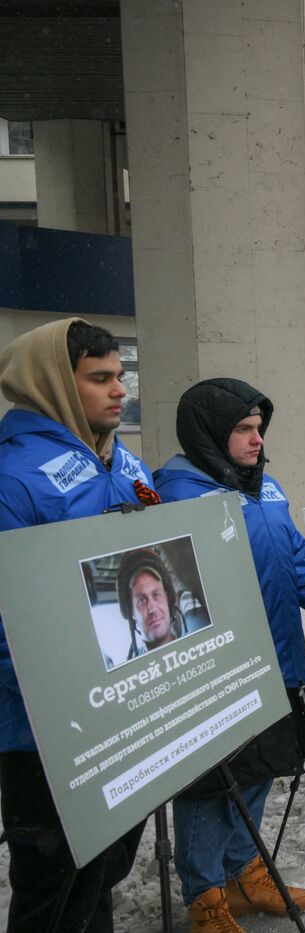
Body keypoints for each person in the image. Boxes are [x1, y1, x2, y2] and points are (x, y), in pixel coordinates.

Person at [0, 319, 152, 932]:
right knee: (53, 890)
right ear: (53, 385)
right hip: (48, 732)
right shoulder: (14, 478)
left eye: (120, 377)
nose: (119, 391)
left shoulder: (119, 459)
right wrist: (63, 707)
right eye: (100, 379)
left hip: (121, 706)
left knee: (101, 871)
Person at [154, 377, 305, 928]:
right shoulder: (176, 495)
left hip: (277, 658)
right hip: (220, 673)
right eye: (243, 430)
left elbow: (296, 561)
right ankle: (204, 895)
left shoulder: (264, 489)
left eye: (258, 428)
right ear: (208, 433)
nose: (256, 440)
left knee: (259, 769)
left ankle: (243, 871)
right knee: (209, 784)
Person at [115, 547, 211, 661]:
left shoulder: (201, 644)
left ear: (167, 597)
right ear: (131, 611)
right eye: (141, 600)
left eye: (156, 595)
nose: (152, 608)